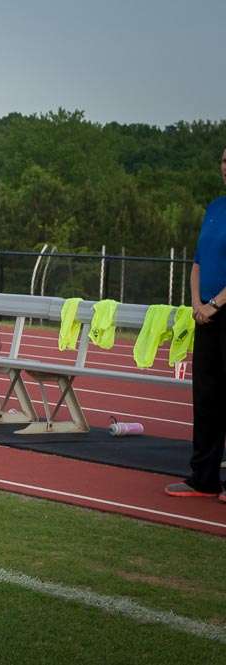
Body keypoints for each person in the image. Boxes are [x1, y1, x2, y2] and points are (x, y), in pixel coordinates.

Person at [165, 146, 226, 503]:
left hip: (222, 311)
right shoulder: (215, 208)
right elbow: (198, 261)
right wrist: (197, 304)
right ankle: (203, 477)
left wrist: (216, 304)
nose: (225, 168)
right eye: (223, 161)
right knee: (206, 398)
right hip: (205, 314)